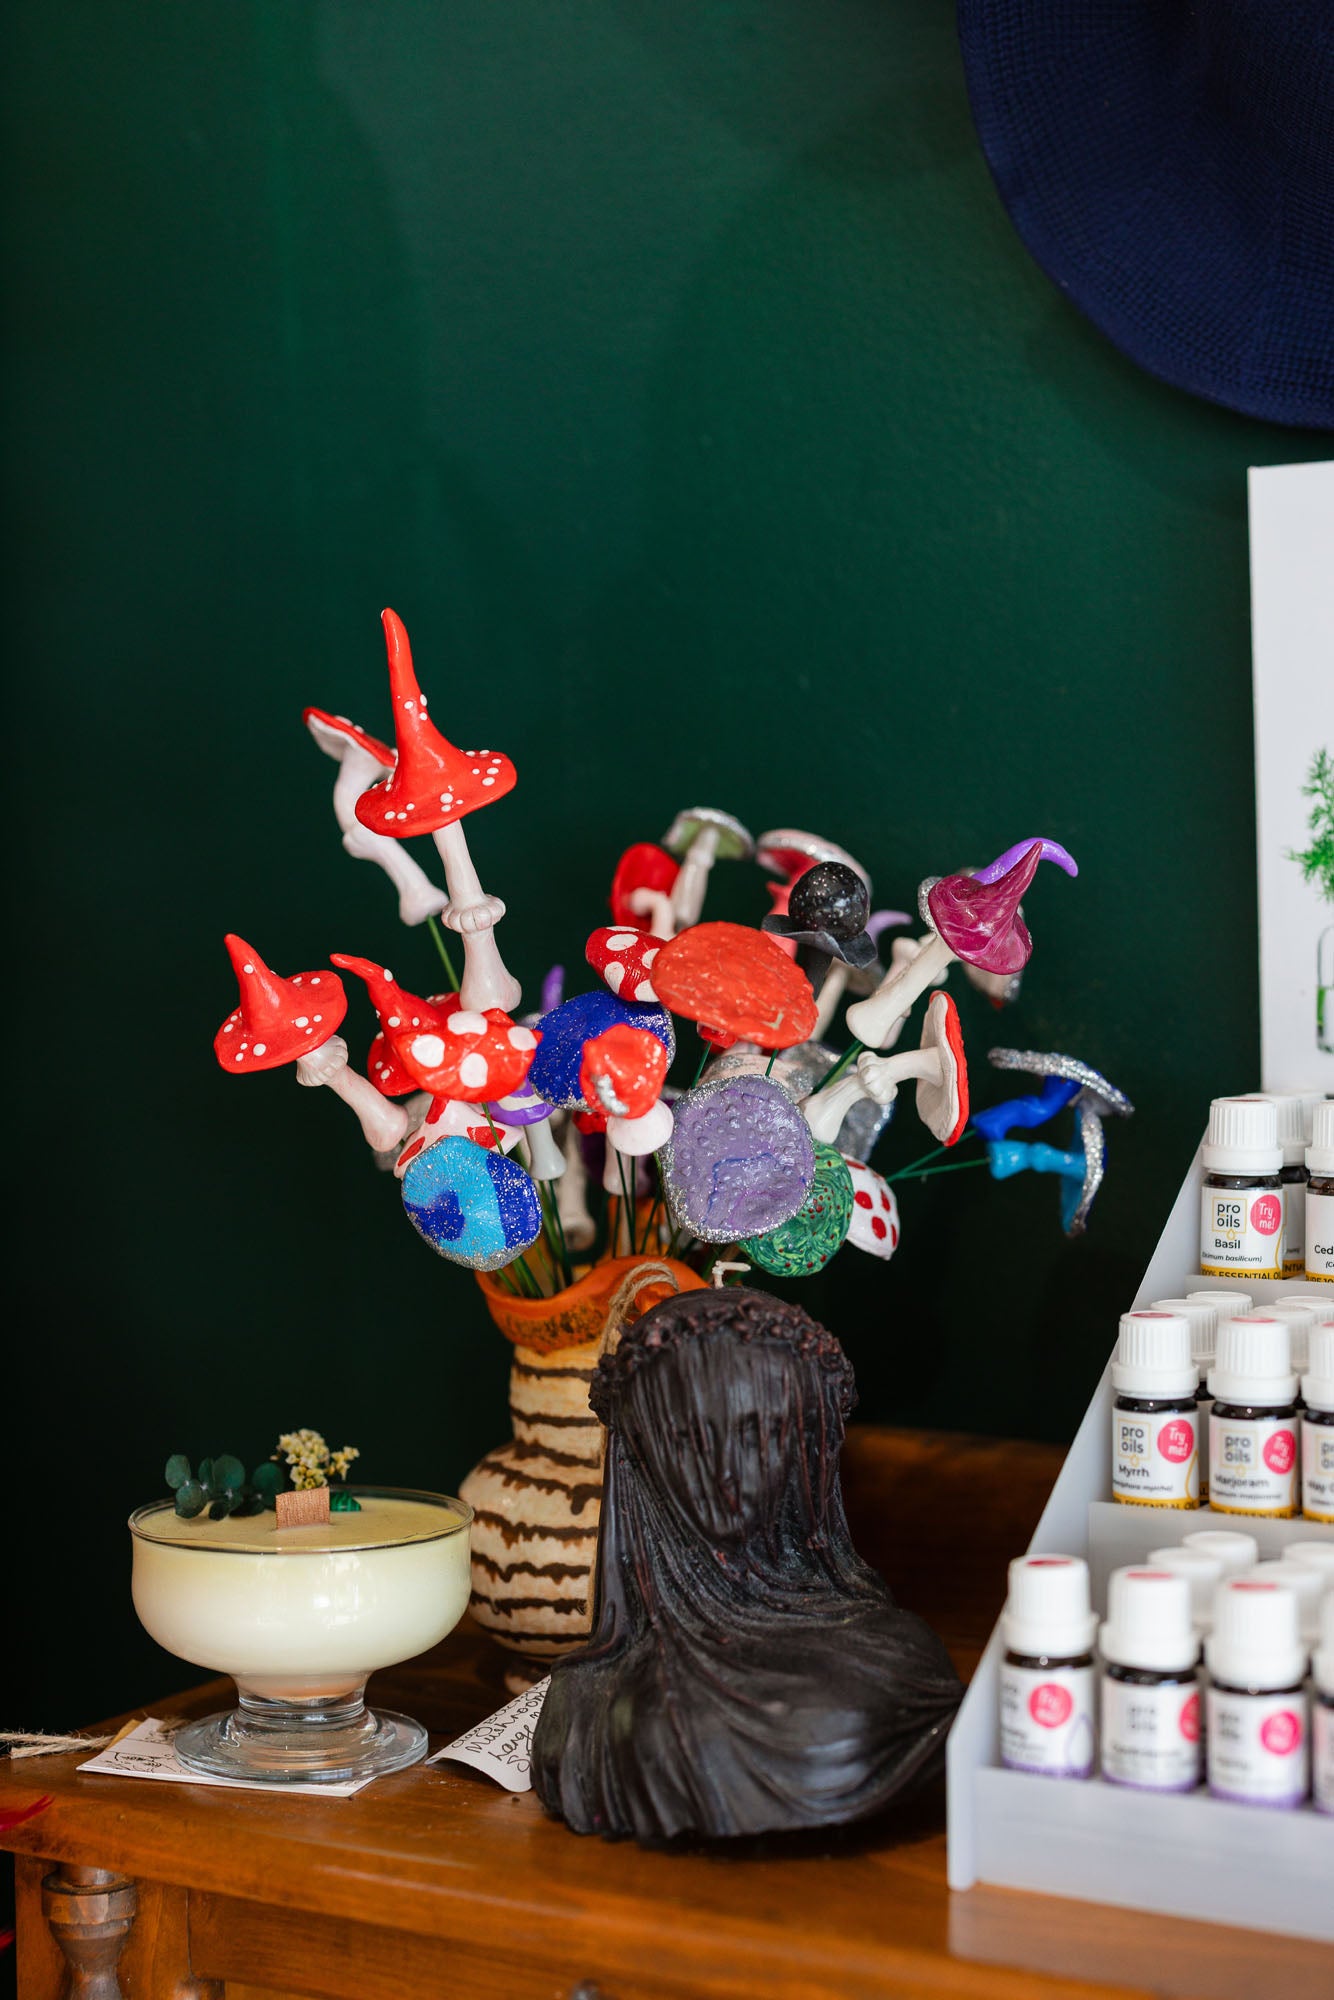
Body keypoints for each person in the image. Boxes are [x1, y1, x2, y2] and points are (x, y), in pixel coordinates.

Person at [531, 1285, 963, 1840]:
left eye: (758, 1433)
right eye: (690, 1439)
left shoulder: (898, 1666)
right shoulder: (590, 1700)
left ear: (808, 1441)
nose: (725, 1473)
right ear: (639, 1451)